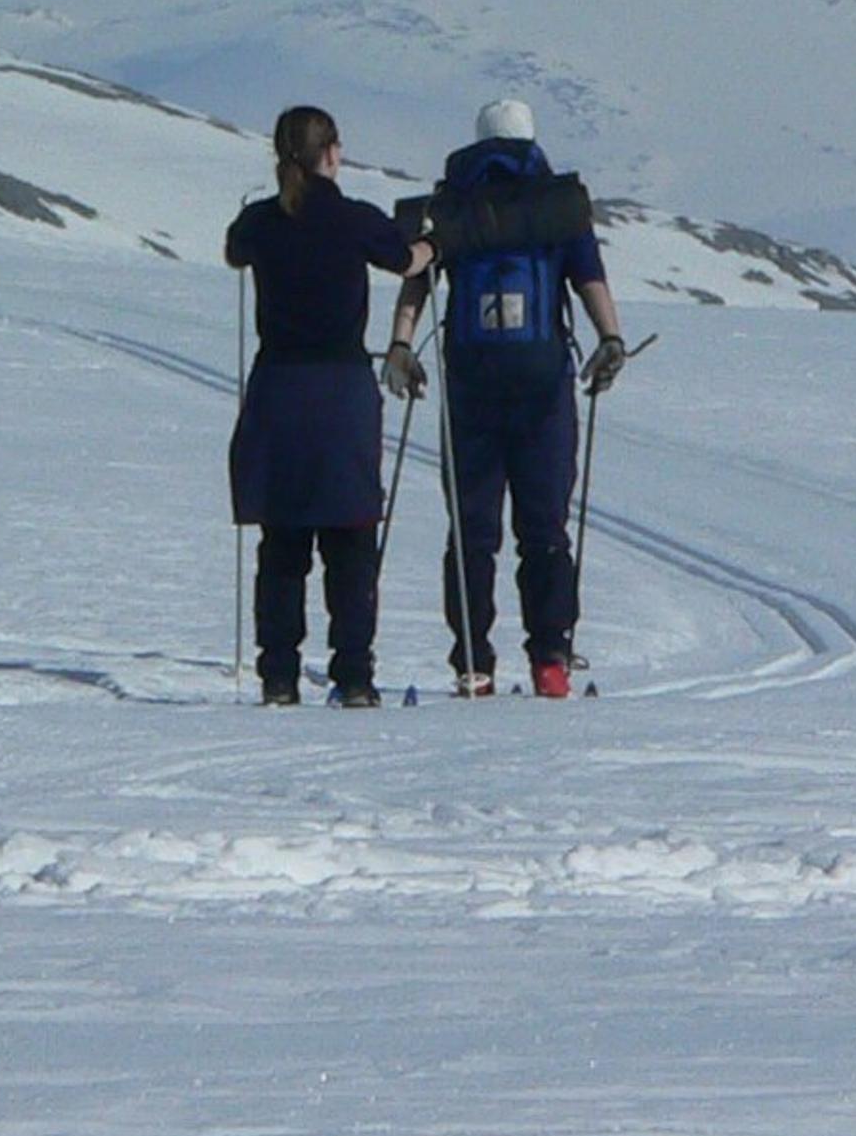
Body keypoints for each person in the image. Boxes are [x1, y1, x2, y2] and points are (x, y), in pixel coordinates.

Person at [385, 98, 629, 697]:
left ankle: (473, 661)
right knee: (545, 527)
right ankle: (550, 659)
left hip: (471, 383)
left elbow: (418, 279)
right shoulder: (555, 205)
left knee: (471, 528)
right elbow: (589, 275)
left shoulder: (451, 207)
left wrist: (399, 346)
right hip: (543, 383)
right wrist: (611, 340)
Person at [225, 106, 430, 706]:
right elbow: (406, 259)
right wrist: (435, 241)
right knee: (350, 540)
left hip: (279, 389)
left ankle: (279, 676)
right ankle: (354, 676)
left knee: (283, 541)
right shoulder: (353, 219)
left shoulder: (261, 221)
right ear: (333, 153)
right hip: (341, 390)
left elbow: (235, 251)